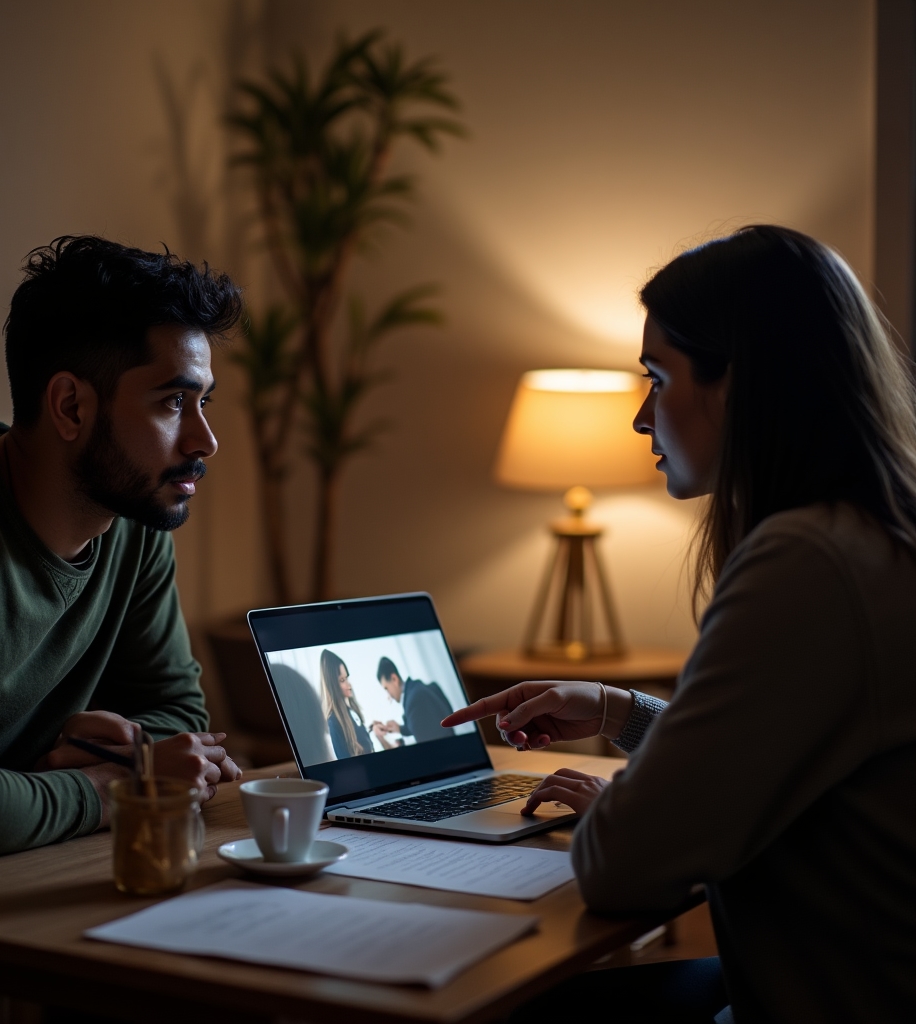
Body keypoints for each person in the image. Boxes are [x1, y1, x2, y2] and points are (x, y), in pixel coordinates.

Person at [444, 226, 916, 1023]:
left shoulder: (809, 563)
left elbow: (623, 867)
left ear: (738, 384)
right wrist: (620, 712)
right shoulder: (873, 534)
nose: (641, 417)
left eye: (658, 378)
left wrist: (621, 818)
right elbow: (778, 748)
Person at [0, 236, 245, 872]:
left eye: (204, 401)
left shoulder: (133, 515)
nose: (205, 439)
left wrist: (101, 754)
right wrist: (118, 785)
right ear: (71, 406)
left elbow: (181, 716)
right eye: (172, 401)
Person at [319, 649, 393, 758]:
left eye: (347, 678)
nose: (349, 685)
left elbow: (359, 740)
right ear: (332, 685)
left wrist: (371, 729)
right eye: (342, 680)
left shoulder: (351, 709)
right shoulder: (333, 722)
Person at [377, 657, 456, 744]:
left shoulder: (413, 702)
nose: (389, 696)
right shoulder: (424, 688)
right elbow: (426, 725)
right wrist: (400, 729)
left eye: (386, 688)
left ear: (394, 679)